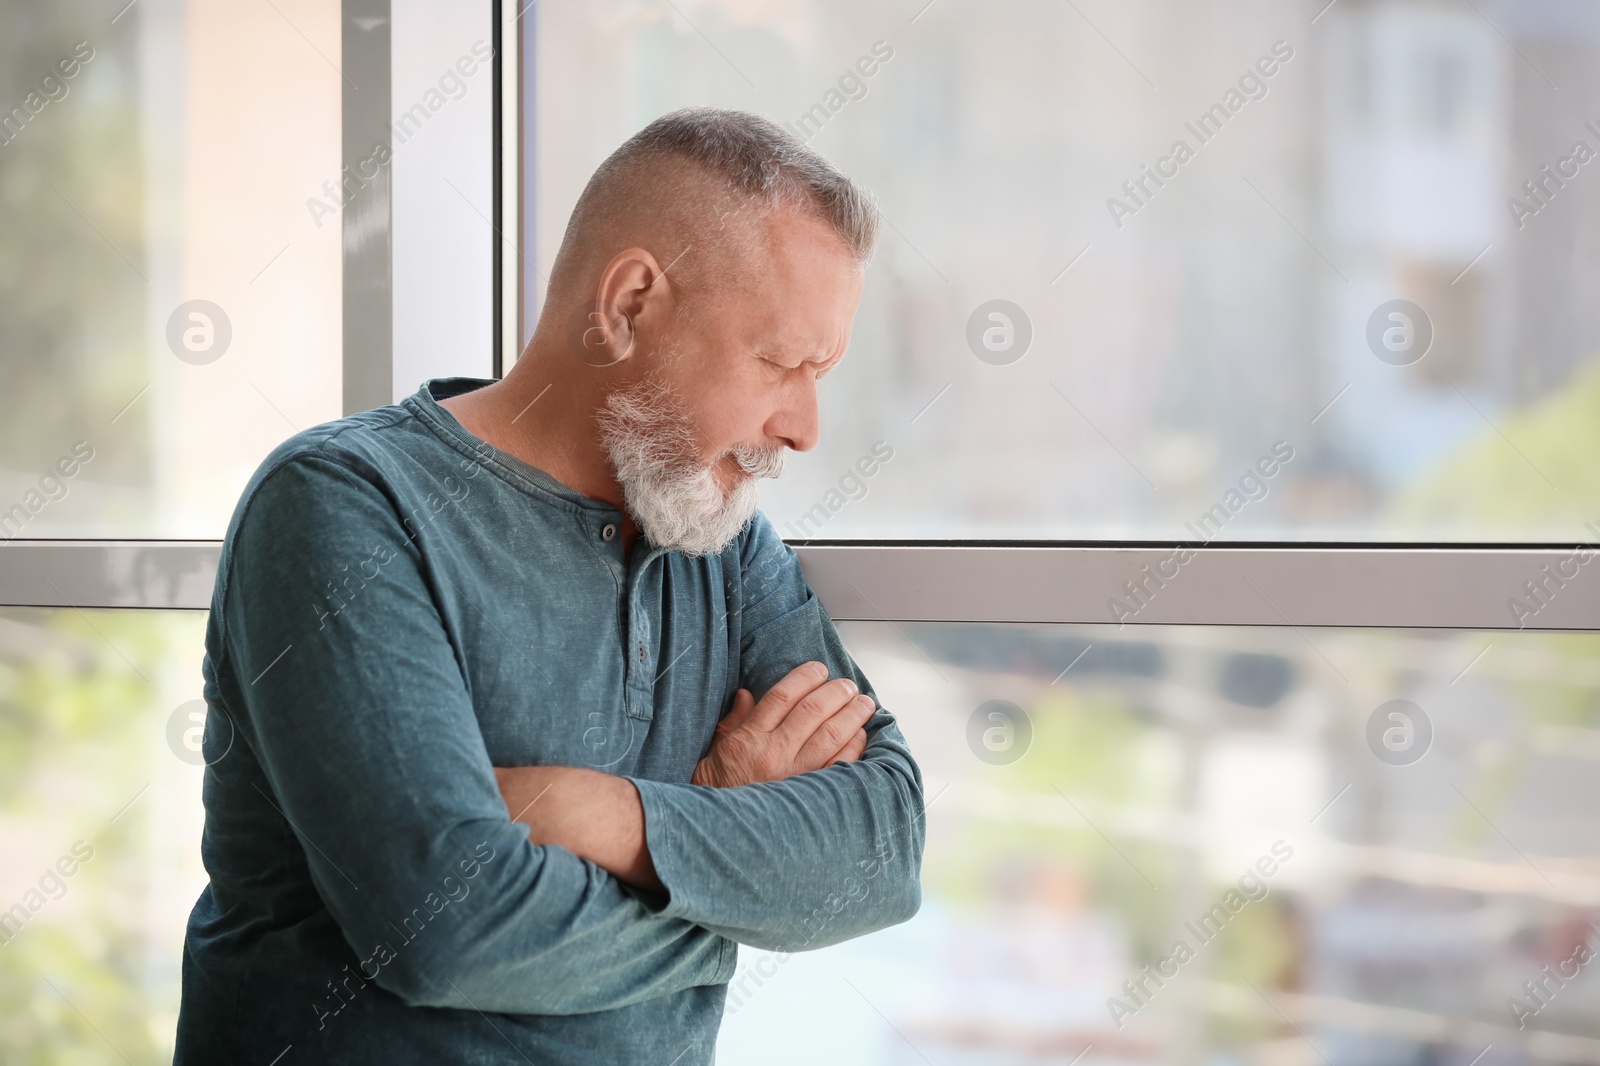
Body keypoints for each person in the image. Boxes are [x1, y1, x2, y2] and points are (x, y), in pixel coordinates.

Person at [173, 107, 925, 1064]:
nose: (806, 429)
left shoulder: (725, 545)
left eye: (822, 373)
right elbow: (445, 929)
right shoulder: (344, 505)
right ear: (628, 305)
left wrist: (605, 813)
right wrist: (732, 882)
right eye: (779, 362)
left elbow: (885, 846)